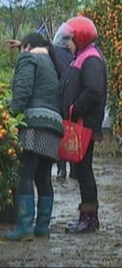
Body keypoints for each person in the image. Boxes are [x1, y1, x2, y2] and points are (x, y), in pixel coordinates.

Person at [4, 33, 64, 241]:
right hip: (53, 124)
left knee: (26, 173)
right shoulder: (51, 62)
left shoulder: (28, 58)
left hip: (33, 123)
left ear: (27, 47)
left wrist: (12, 117)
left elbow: (23, 91)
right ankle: (42, 227)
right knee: (43, 176)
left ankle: (24, 226)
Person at [61, 16, 107, 234]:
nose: (67, 43)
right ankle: (86, 216)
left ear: (80, 38)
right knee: (81, 170)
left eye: (70, 39)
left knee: (85, 171)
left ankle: (89, 218)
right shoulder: (81, 56)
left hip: (85, 125)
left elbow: (94, 91)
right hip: (80, 124)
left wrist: (75, 109)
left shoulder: (91, 59)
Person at [52, 23, 75, 180]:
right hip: (68, 98)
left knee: (63, 134)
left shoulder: (57, 51)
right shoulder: (74, 52)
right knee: (69, 134)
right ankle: (67, 168)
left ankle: (63, 169)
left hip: (64, 99)